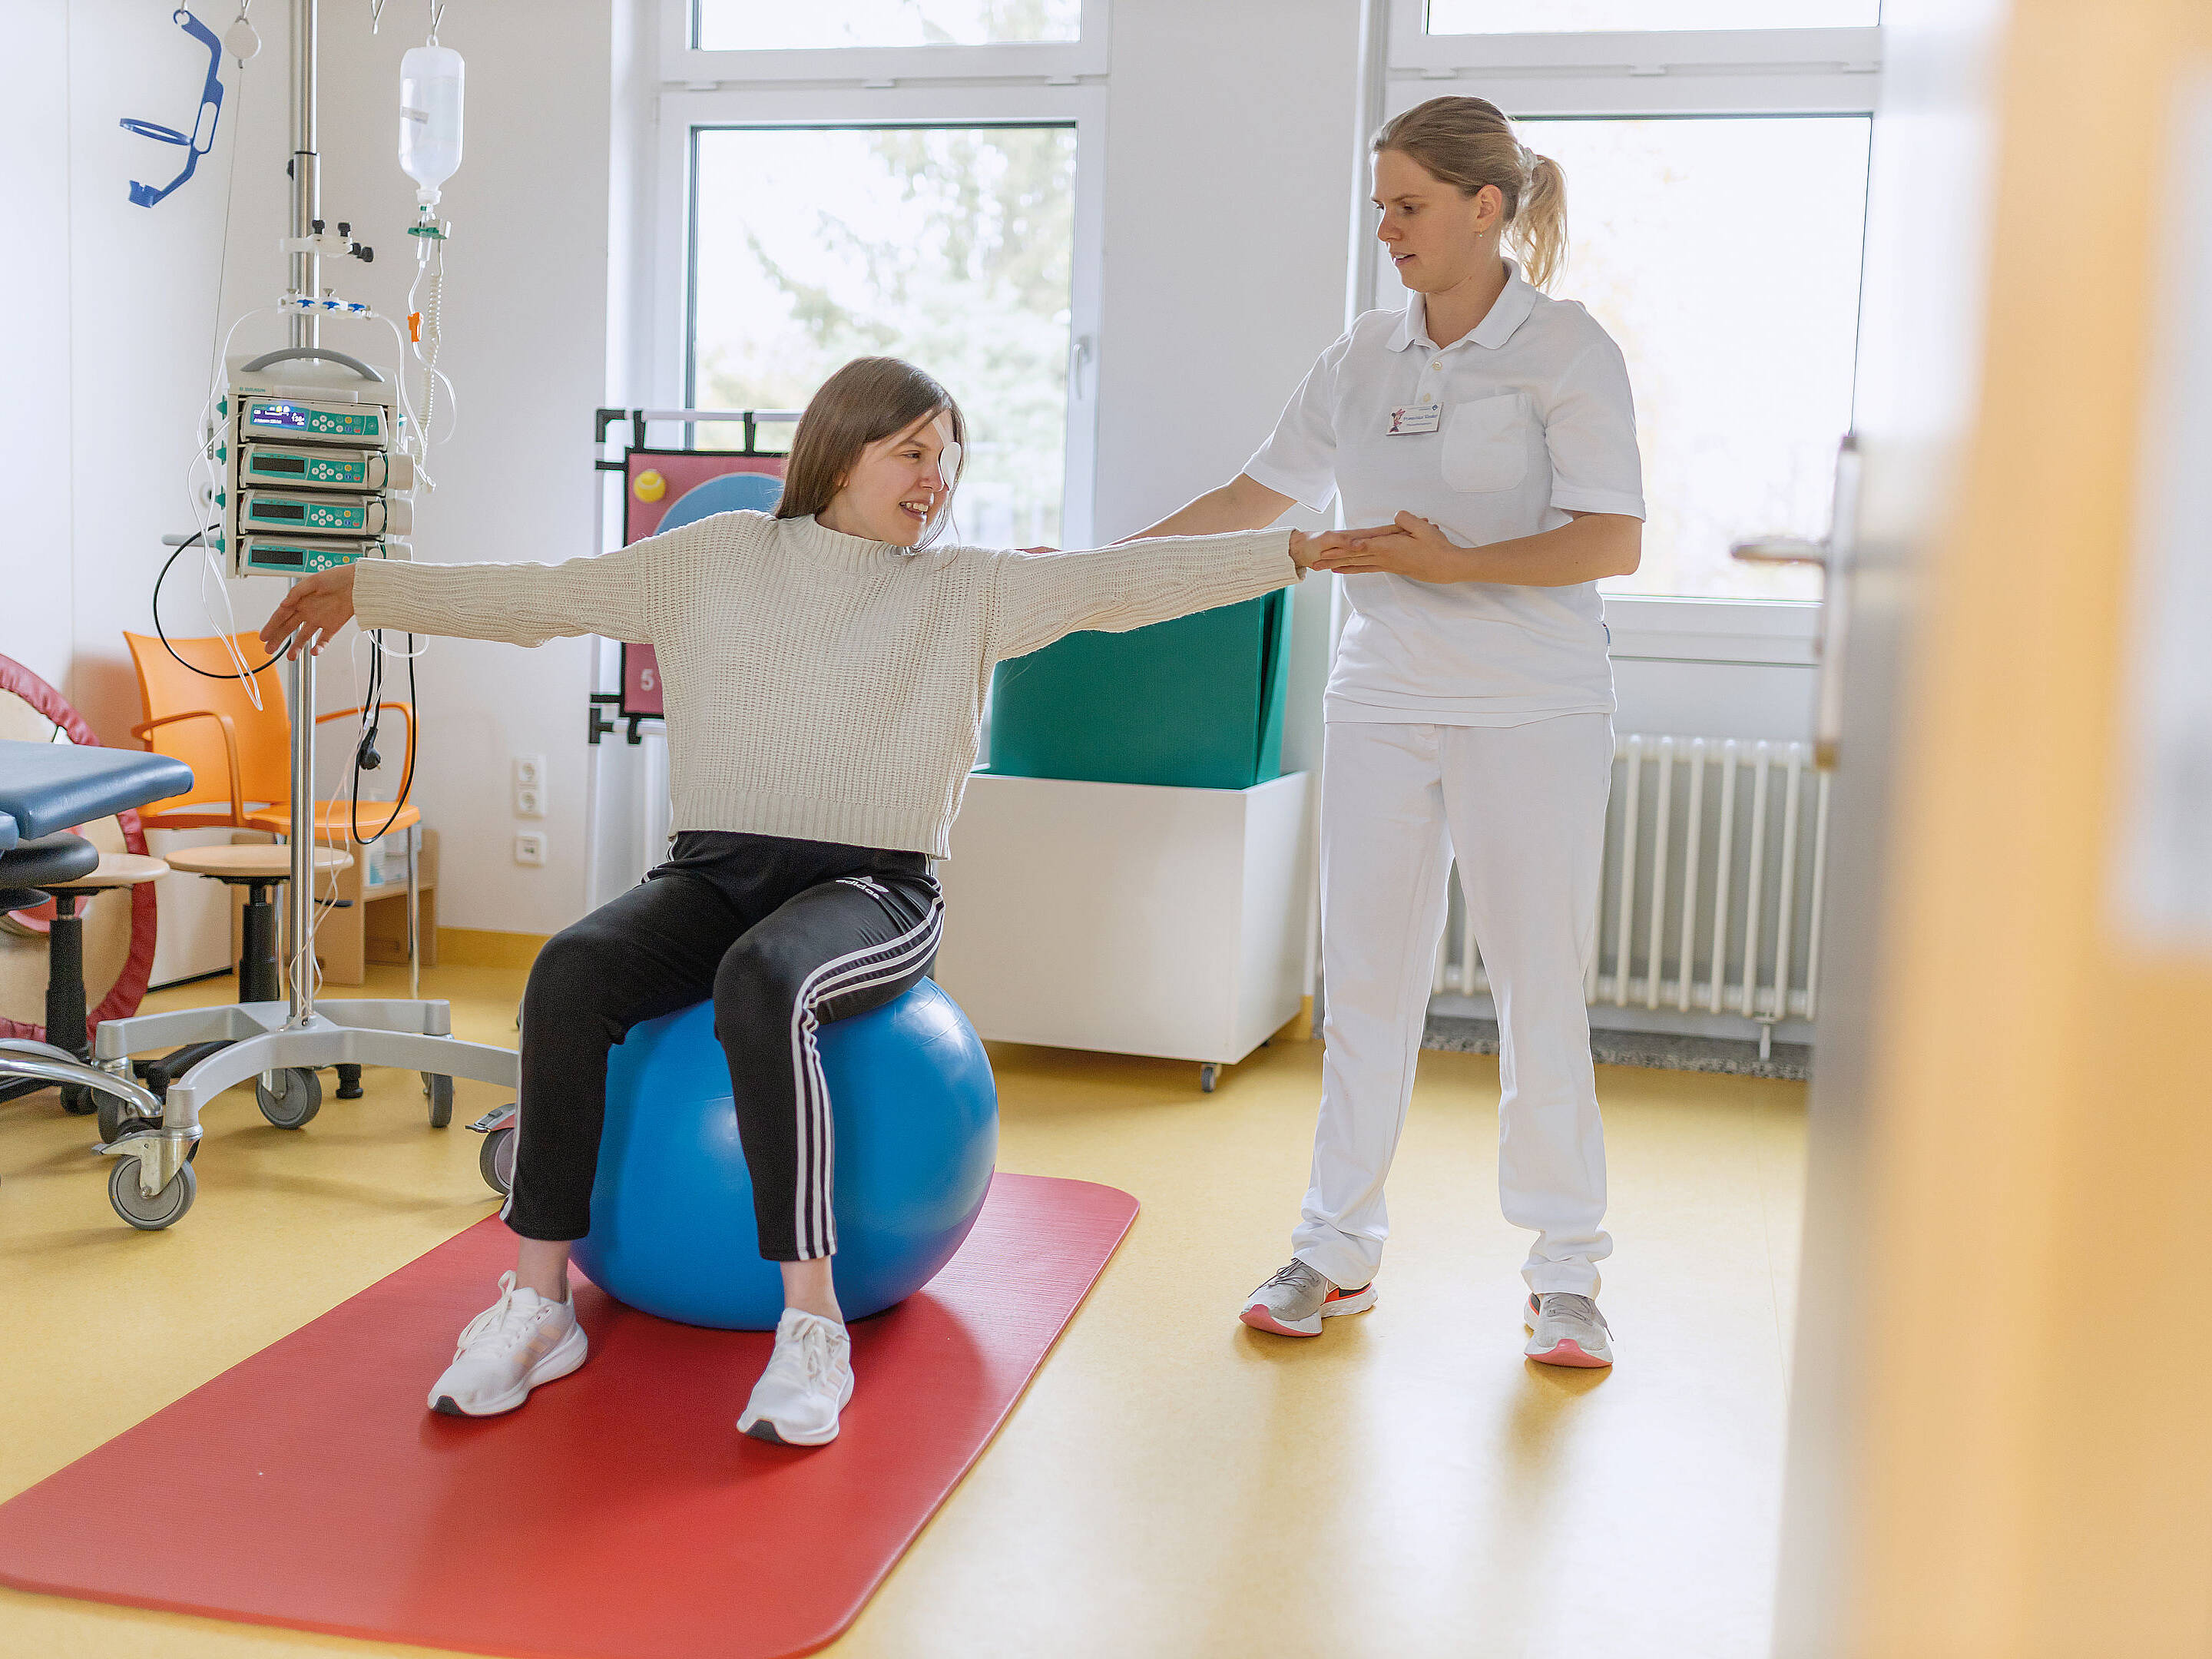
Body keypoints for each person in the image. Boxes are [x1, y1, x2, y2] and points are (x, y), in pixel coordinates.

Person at [261, 356, 1337, 1443]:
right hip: (713, 871)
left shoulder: (970, 588)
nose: (937, 478)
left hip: (875, 889)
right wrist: (372, 587)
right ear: (839, 451)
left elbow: (1121, 586)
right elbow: (543, 595)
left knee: (766, 979)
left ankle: (811, 1327)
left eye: (949, 459)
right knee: (570, 971)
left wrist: (1297, 553)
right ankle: (540, 1302)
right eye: (911, 452)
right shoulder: (714, 557)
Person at [1136, 97, 1644, 1368]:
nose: (1386, 228)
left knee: (1539, 995)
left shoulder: (1567, 351)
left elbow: (1612, 538)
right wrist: (1100, 572)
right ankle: (1334, 1247)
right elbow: (1258, 496)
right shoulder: (1361, 355)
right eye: (1380, 203)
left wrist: (1459, 561)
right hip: (1381, 697)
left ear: (1488, 207)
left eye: (1408, 205)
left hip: (1534, 704)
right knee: (1364, 984)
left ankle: (1567, 1271)